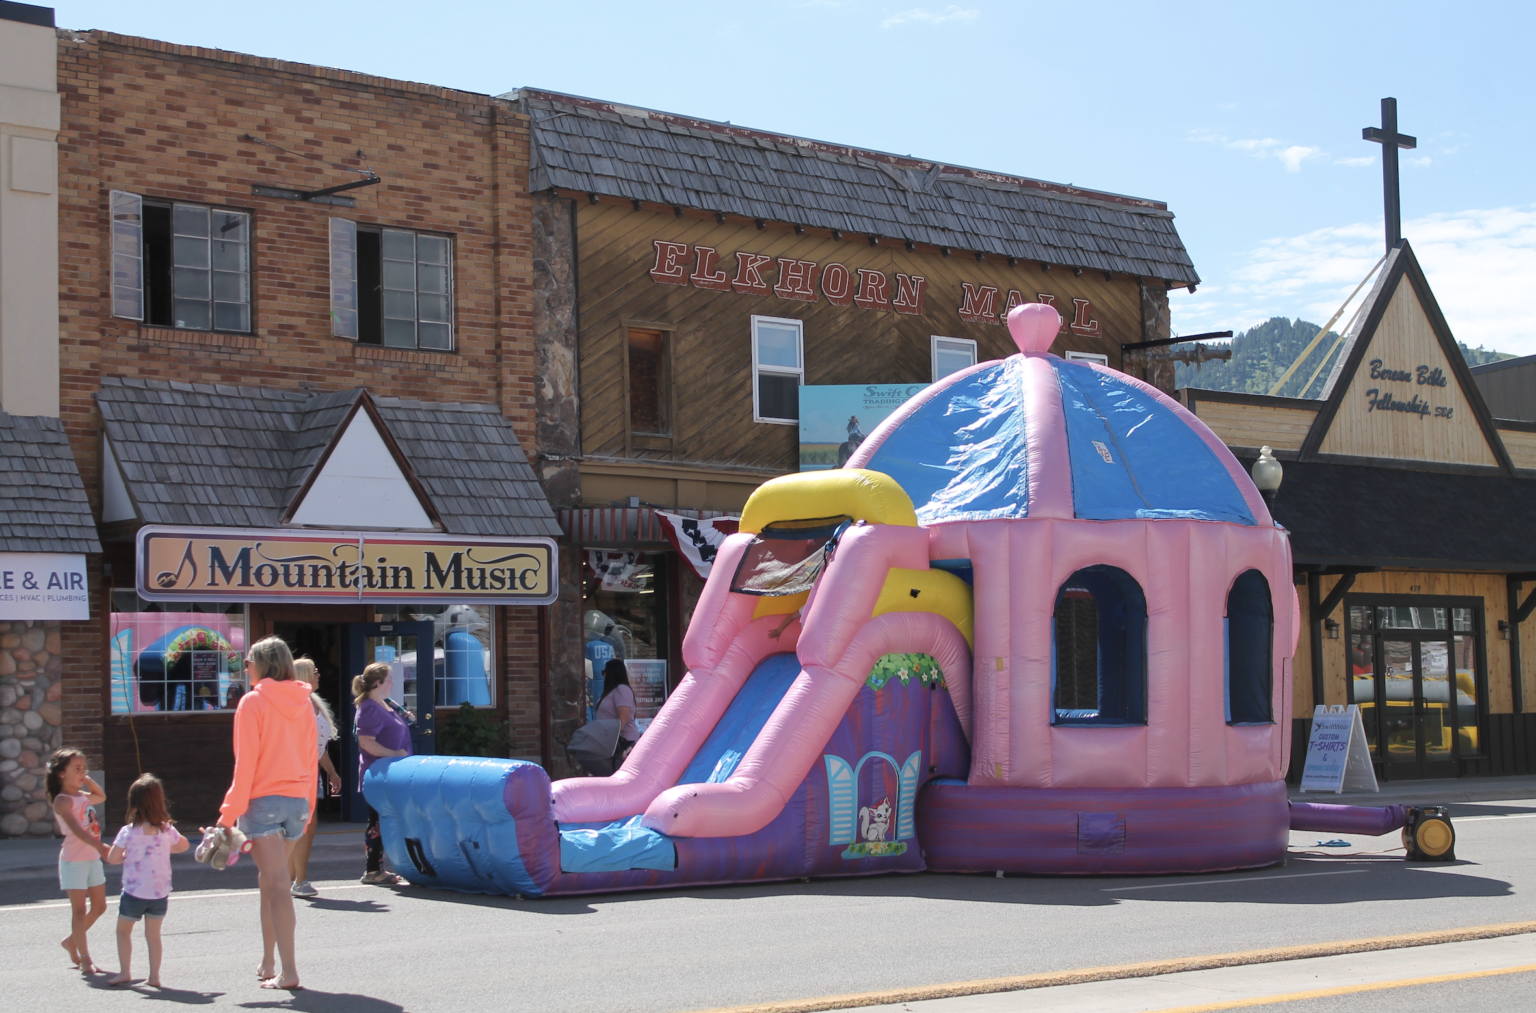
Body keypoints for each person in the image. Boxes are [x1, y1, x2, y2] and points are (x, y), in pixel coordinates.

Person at [211, 635, 316, 991]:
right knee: (271, 881)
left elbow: (246, 766)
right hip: (297, 803)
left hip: (264, 803)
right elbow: (310, 761)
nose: (245, 668)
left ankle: (288, 971)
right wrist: (308, 809)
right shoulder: (305, 702)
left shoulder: (252, 702)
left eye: (248, 662)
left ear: (262, 664)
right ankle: (269, 961)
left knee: (276, 884)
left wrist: (227, 817)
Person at [104, 774, 188, 987]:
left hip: (134, 892)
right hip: (159, 893)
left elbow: (112, 858)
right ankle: (154, 977)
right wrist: (165, 846)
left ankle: (125, 972)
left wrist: (126, 855)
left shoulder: (128, 832)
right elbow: (183, 846)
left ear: (133, 805)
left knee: (123, 931)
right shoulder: (166, 829)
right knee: (153, 936)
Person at [48, 747, 111, 973]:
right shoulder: (62, 800)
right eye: (77, 769)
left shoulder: (81, 795)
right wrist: (100, 846)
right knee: (79, 910)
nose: (82, 772)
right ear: (61, 773)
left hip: (92, 858)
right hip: (74, 861)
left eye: (84, 768)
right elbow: (77, 831)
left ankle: (71, 941)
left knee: (100, 906)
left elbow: (101, 796)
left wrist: (88, 780)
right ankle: (85, 957)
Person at [288, 660, 343, 899]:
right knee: (303, 826)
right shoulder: (296, 705)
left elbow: (319, 747)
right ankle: (298, 880)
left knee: (307, 826)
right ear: (303, 675)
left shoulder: (313, 702)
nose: (319, 674)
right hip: (297, 773)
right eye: (315, 671)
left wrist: (331, 772)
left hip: (311, 772)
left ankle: (291, 878)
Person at [354, 662, 412, 885]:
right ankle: (373, 870)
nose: (393, 683)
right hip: (378, 776)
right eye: (389, 679)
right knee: (378, 821)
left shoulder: (385, 704)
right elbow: (366, 743)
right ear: (378, 683)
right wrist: (394, 753)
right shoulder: (369, 708)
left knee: (386, 820)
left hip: (393, 774)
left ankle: (379, 869)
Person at [594, 659, 640, 769]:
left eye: (604, 672)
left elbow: (623, 718)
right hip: (610, 742)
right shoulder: (610, 692)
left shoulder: (622, 690)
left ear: (610, 673)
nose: (603, 675)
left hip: (624, 742)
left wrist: (612, 739)